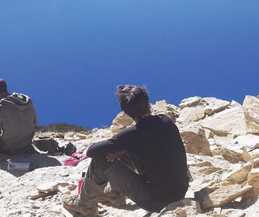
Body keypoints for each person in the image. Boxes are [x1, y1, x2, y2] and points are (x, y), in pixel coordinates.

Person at [61, 85, 189, 216]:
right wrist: (122, 148)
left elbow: (92, 152)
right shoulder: (165, 120)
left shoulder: (132, 135)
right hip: (181, 189)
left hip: (157, 201)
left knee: (100, 161)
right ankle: (115, 195)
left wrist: (119, 146)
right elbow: (148, 142)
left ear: (126, 112)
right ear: (148, 103)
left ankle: (85, 206)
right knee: (129, 151)